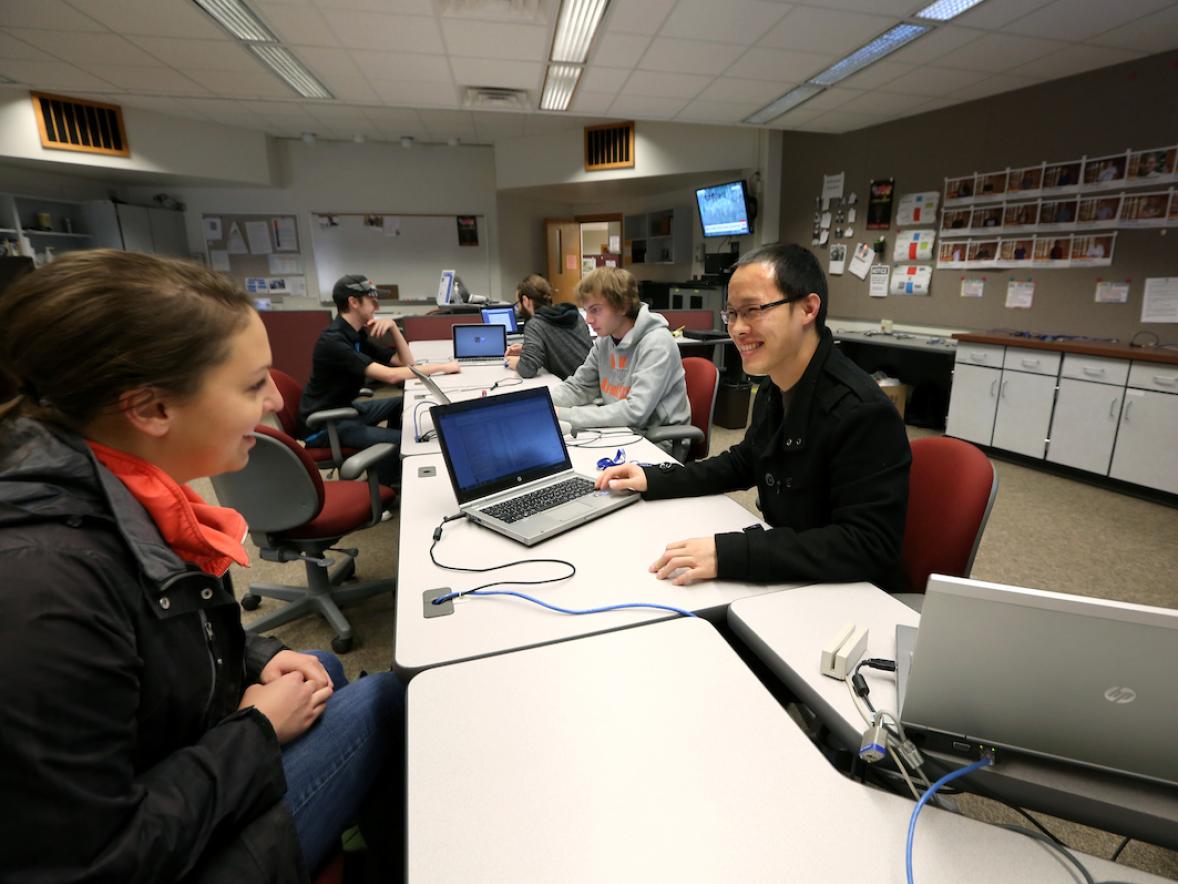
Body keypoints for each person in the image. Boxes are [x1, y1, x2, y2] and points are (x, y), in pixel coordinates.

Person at [0, 250, 404, 883]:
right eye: (252, 385)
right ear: (151, 409)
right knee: (386, 696)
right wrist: (258, 732)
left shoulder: (128, 499)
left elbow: (165, 638)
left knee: (319, 666)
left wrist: (256, 659)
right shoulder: (45, 591)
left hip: (173, 770)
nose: (276, 401)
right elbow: (96, 862)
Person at [596, 243, 911, 592]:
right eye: (731, 314)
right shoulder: (776, 385)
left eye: (753, 310)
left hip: (846, 599)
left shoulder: (861, 411)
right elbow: (745, 461)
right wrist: (654, 478)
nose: (738, 329)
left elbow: (867, 544)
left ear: (808, 308)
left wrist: (729, 552)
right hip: (793, 579)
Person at [299, 274, 458, 485]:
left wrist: (393, 328)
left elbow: (405, 362)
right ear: (353, 302)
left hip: (347, 409)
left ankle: (390, 467)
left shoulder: (356, 335)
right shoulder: (334, 341)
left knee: (401, 405)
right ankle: (387, 486)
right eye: (371, 300)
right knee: (401, 442)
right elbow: (391, 376)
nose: (377, 305)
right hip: (325, 424)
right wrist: (443, 367)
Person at [550, 266, 691, 438]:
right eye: (586, 311)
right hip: (621, 430)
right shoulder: (604, 341)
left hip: (657, 439)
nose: (588, 320)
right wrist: (541, 403)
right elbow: (580, 387)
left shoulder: (657, 343)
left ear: (623, 306)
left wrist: (560, 414)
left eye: (595, 309)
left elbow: (635, 412)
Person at [504, 273, 592, 379]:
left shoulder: (535, 324)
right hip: (595, 383)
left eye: (519, 303)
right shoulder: (574, 314)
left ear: (526, 301)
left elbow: (527, 369)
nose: (518, 307)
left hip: (575, 388)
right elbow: (561, 345)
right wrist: (526, 348)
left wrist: (514, 362)